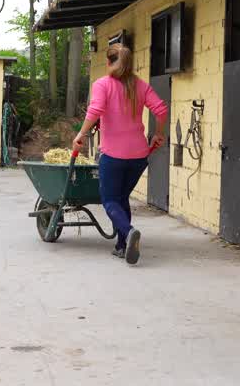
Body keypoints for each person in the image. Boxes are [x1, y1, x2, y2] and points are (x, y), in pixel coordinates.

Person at [71, 36, 168, 265]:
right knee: (122, 197)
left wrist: (80, 134)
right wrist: (158, 134)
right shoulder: (140, 85)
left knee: (110, 200)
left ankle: (129, 230)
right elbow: (161, 110)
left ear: (109, 62)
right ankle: (122, 245)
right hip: (139, 156)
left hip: (114, 156)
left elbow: (95, 110)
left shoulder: (102, 84)